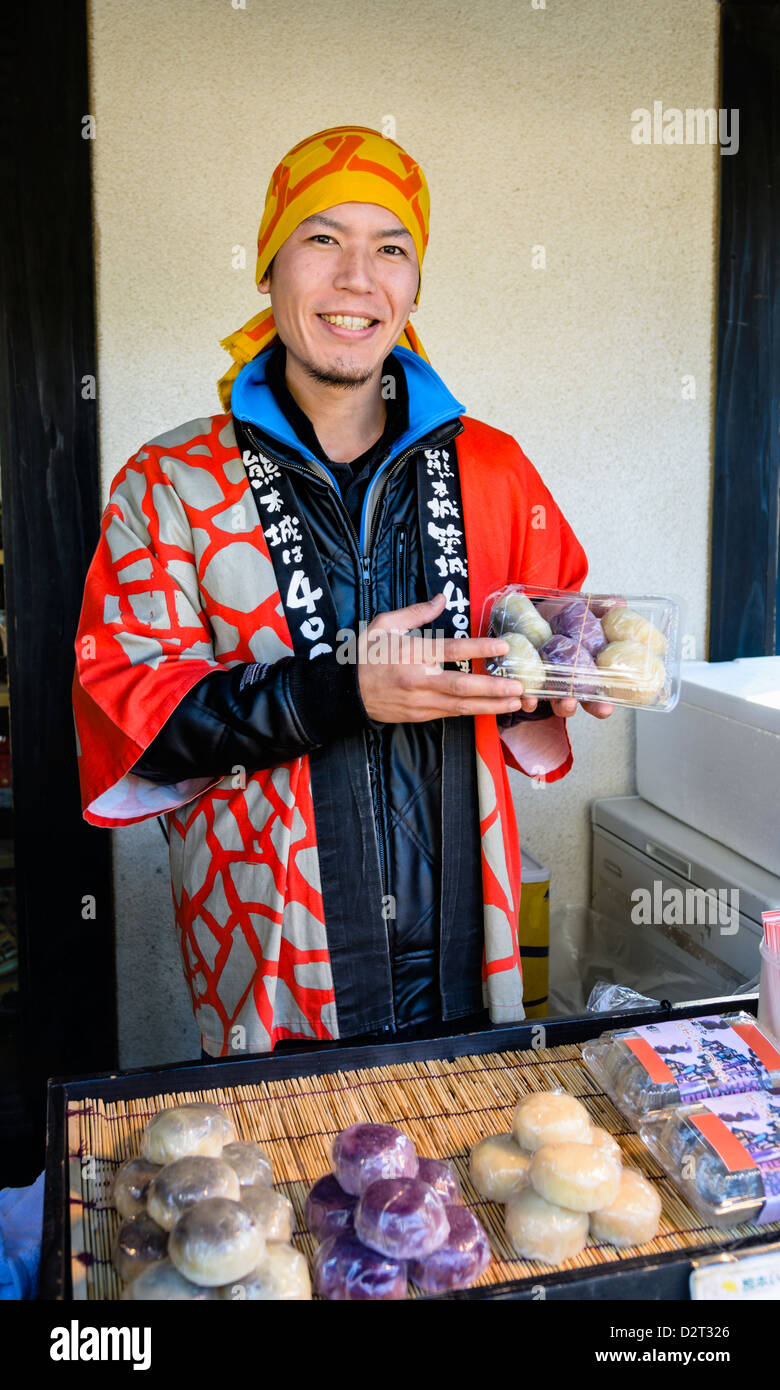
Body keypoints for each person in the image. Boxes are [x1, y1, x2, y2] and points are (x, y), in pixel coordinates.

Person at [72, 125, 613, 1061]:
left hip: (465, 944)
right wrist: (341, 692)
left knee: (451, 1194)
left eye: (391, 248)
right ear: (270, 265)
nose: (358, 277)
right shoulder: (170, 483)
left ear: (412, 288)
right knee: (285, 1199)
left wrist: (569, 665)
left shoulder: (492, 468)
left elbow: (544, 636)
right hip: (270, 949)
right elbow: (135, 713)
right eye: (323, 238)